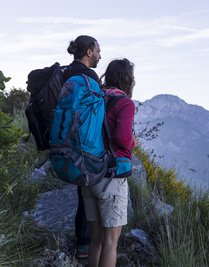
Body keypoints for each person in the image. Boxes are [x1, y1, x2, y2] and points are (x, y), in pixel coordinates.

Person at [82, 58, 135, 267]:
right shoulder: (124, 103)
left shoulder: (95, 96)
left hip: (88, 173)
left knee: (95, 240)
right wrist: (133, 141)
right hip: (111, 177)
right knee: (111, 242)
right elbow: (122, 138)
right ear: (128, 79)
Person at [64, 35, 102, 259]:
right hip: (82, 143)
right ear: (88, 52)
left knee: (82, 190)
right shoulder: (88, 75)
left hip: (63, 139)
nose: (99, 55)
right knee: (86, 191)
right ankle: (86, 244)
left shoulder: (66, 72)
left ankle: (84, 242)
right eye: (98, 50)